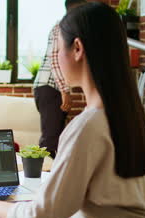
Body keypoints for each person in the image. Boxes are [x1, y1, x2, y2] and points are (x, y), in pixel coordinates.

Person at [0, 2, 145, 218]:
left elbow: (45, 214)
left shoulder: (87, 126)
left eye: (57, 49)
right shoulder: (131, 116)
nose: (56, 58)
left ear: (77, 49)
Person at [33, 0, 87, 159]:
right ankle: (43, 180)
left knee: (56, 138)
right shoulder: (60, 28)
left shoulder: (69, 29)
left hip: (51, 87)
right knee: (50, 141)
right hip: (49, 88)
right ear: (73, 10)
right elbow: (54, 60)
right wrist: (65, 90)